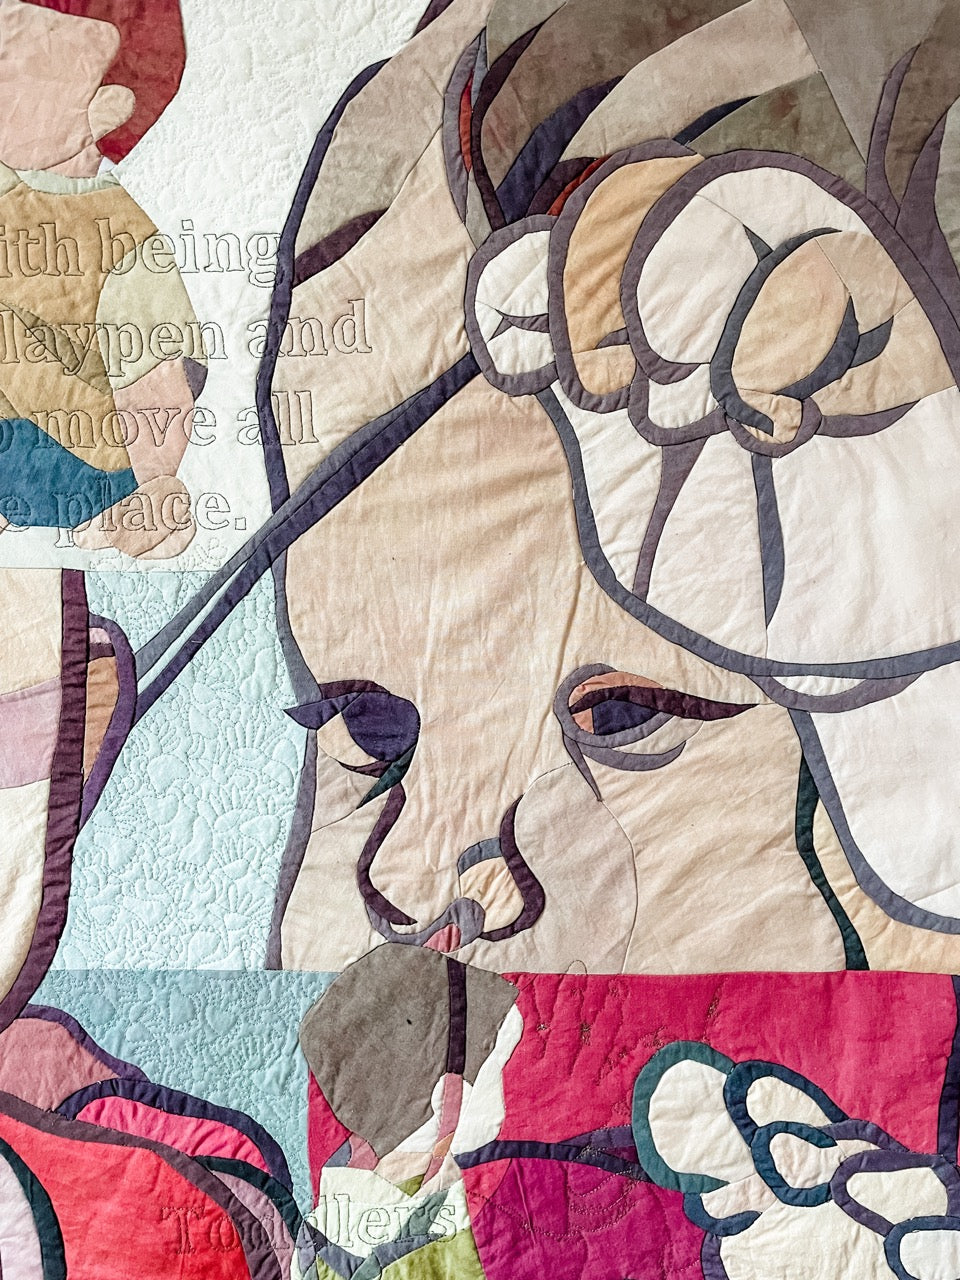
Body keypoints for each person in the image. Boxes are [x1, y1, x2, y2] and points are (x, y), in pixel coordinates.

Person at [0, 0, 207, 557]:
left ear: (105, 110)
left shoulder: (123, 238)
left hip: (85, 454)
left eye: (15, 70)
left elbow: (159, 379)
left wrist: (155, 476)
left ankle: (133, 505)